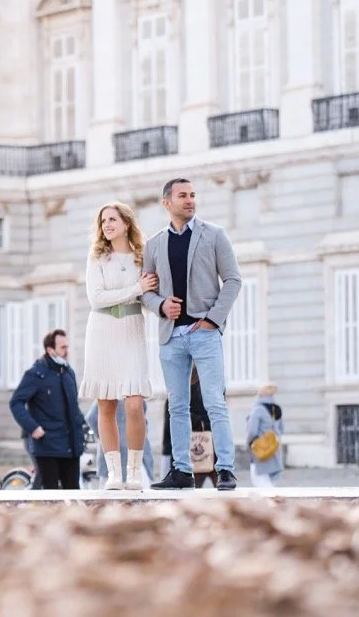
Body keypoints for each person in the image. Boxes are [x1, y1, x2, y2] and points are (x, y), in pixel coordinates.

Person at [142, 178, 242, 491]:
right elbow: (145, 292)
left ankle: (225, 469)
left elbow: (233, 280)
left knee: (215, 402)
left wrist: (213, 320)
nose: (190, 200)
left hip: (204, 332)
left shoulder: (214, 235)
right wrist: (160, 306)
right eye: (182, 196)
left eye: (193, 195)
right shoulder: (154, 244)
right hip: (171, 336)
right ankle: (181, 471)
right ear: (166, 202)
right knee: (177, 407)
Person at [82, 201, 155, 490]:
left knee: (135, 404)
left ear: (127, 223)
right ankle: (114, 474)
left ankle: (135, 472)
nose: (107, 225)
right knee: (106, 403)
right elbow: (96, 299)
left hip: (132, 330)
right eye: (103, 221)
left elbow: (149, 300)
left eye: (112, 219)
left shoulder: (142, 256)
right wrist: (136, 290)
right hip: (101, 330)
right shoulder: (96, 257)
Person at [8, 330, 87, 490]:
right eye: (63, 347)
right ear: (50, 350)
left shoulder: (68, 373)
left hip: (71, 446)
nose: (67, 351)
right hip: (47, 446)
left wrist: (83, 427)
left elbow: (73, 407)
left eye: (67, 347)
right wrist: (33, 428)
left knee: (73, 493)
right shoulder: (36, 374)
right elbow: (16, 402)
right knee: (50, 496)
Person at [162, 368, 217, 488]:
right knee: (221, 489)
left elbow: (168, 425)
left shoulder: (176, 393)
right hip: (212, 447)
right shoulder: (210, 391)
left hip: (188, 449)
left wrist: (166, 449)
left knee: (190, 491)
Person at [88, 400, 156, 489]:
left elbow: (91, 418)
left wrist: (102, 437)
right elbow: (92, 418)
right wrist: (105, 437)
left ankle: (130, 474)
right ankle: (119, 475)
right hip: (117, 454)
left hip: (135, 456)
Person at [247, 382, 285, 488]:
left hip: (260, 449)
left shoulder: (257, 409)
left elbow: (252, 430)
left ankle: (268, 504)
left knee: (259, 481)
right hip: (274, 449)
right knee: (270, 483)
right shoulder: (277, 409)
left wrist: (250, 444)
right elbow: (281, 429)